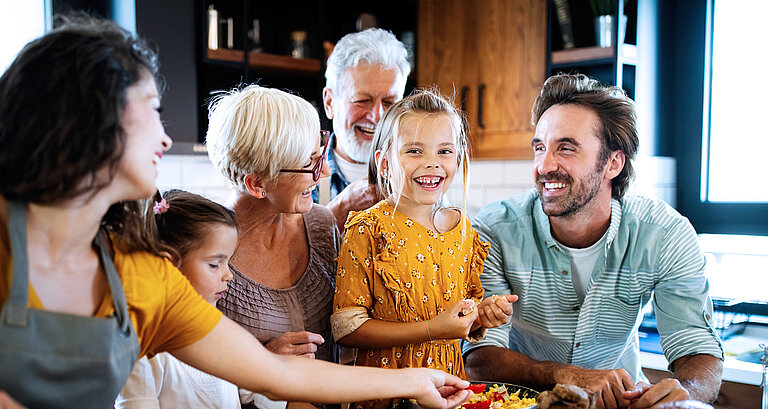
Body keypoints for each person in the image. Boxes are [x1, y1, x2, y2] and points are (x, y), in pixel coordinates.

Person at [0, 15, 473, 409]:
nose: (165, 138)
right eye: (150, 112)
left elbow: (273, 373)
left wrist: (416, 380)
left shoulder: (141, 275)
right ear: (86, 123)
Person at [462, 74, 724, 409]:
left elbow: (695, 347)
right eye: (539, 147)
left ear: (613, 162)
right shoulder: (494, 229)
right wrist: (568, 375)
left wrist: (684, 396)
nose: (544, 166)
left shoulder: (665, 233)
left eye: (566, 148)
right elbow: (479, 357)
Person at [331, 89, 518, 409]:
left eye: (444, 151)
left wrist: (482, 316)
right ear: (384, 162)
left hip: (449, 393)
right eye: (414, 151)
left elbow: (459, 317)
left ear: (458, 158)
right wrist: (432, 329)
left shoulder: (464, 231)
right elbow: (346, 328)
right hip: (383, 395)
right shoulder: (367, 229)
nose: (432, 163)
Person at [205, 84, 340, 409]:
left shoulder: (322, 226)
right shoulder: (205, 254)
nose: (322, 172)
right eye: (308, 164)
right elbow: (183, 372)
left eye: (318, 154)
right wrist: (259, 364)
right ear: (257, 184)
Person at [116, 189, 241, 408]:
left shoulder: (218, 327)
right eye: (215, 264)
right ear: (169, 264)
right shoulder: (144, 349)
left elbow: (251, 380)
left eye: (228, 262)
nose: (228, 274)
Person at [320, 28, 411, 231]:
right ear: (329, 103)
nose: (377, 116)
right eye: (362, 100)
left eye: (389, 102)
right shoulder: (300, 177)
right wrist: (338, 212)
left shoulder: (420, 174)